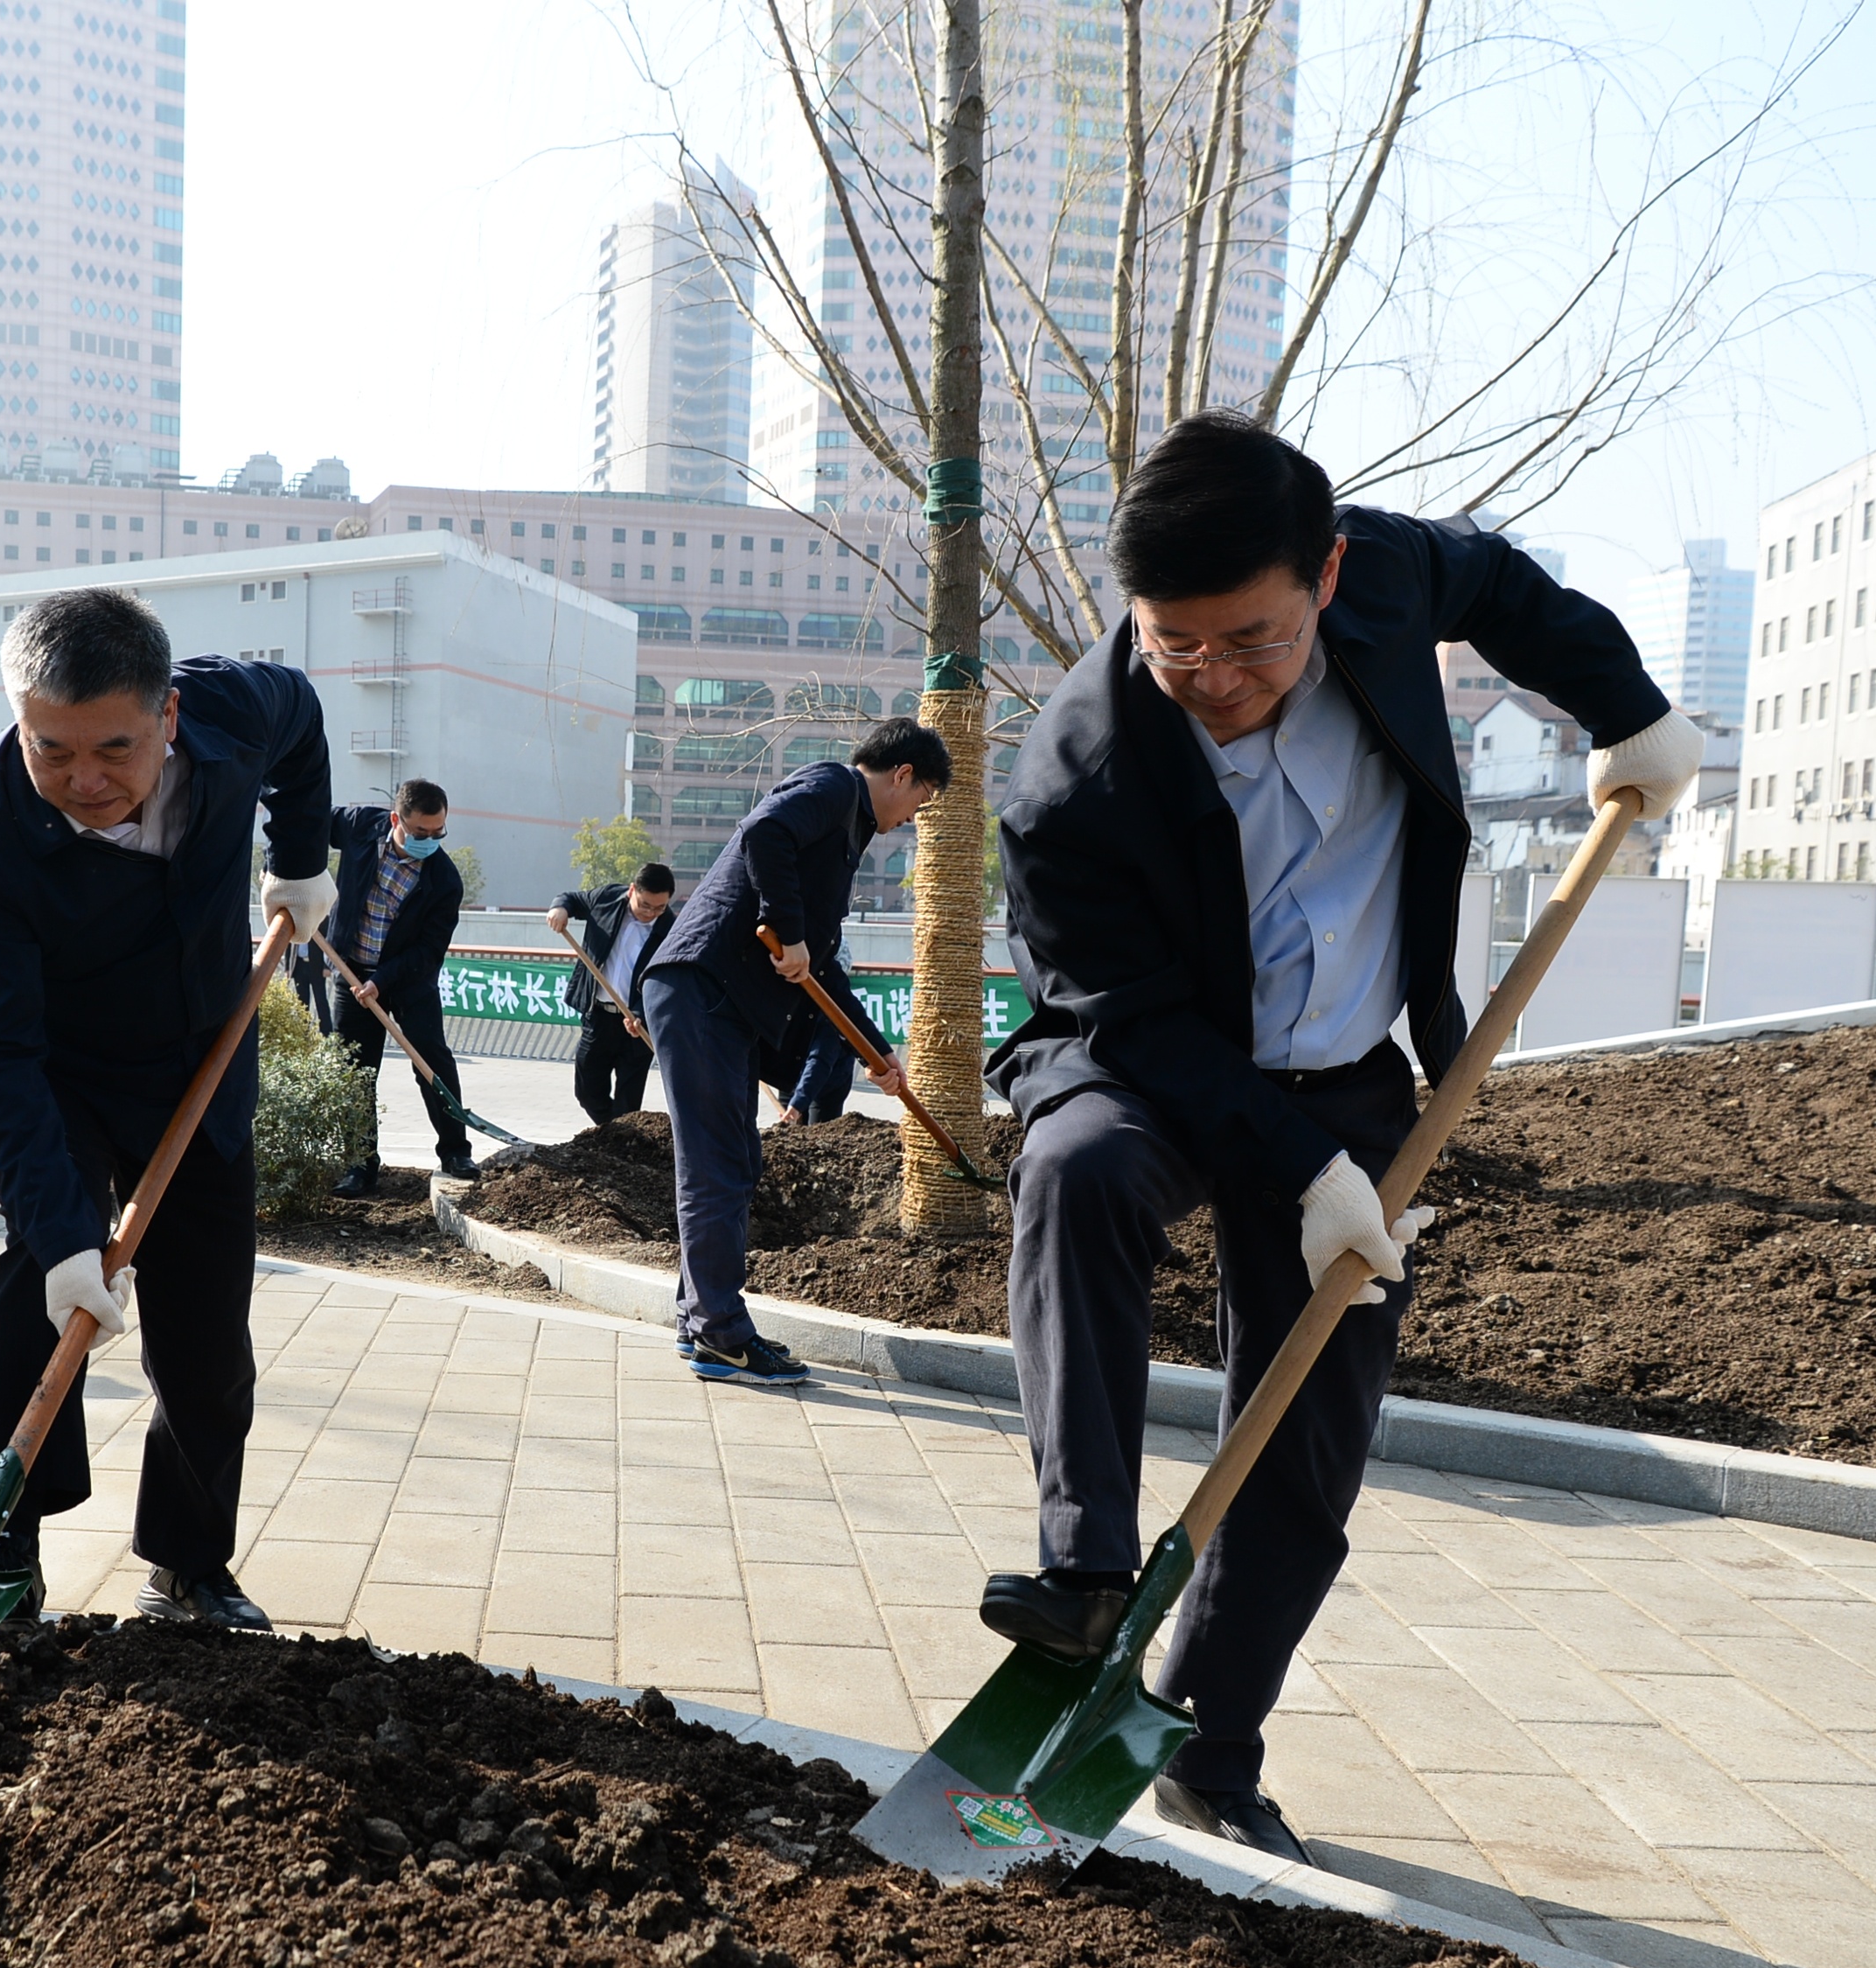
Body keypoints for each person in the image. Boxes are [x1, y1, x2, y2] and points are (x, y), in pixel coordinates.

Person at [980, 411, 1702, 1865]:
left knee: (1306, 1445)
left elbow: (1505, 587)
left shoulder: (1390, 575)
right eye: (1175, 646)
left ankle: (1207, 1753)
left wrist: (1624, 709)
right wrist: (1298, 1170)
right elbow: (1132, 1018)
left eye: (1252, 641)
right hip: (1153, 1067)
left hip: (1354, 1075)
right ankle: (1087, 1576)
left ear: (1326, 575)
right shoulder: (1072, 777)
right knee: (1077, 1171)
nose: (1215, 679)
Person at [0, 585, 332, 1629]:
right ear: (18, 718)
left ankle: (189, 1564)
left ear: (168, 715)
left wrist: (299, 861)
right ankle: (6, 1549)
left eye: (114, 748)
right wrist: (67, 1236)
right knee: (37, 1289)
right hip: (59, 1069)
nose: (84, 780)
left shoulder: (233, 709)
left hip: (200, 1062)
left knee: (208, 1335)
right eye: (51, 749)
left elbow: (303, 717)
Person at [638, 716, 951, 1385]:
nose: (911, 820)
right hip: (701, 990)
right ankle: (722, 1334)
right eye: (921, 802)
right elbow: (764, 832)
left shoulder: (845, 834)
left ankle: (701, 1322)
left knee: (735, 1161)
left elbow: (821, 966)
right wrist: (785, 924)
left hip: (721, 1004)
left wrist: (876, 1052)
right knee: (718, 1165)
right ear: (902, 775)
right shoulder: (834, 787)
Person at [323, 778, 468, 1196]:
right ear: (395, 820)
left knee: (432, 1062)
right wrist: (280, 867)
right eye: (421, 832)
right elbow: (305, 822)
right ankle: (359, 1164)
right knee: (355, 1071)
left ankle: (455, 1151)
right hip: (352, 972)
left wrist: (382, 980)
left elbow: (429, 950)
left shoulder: (445, 880)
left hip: (409, 982)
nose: (429, 840)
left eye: (438, 832)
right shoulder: (359, 826)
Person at [550, 860, 678, 1125]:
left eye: (660, 907)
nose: (651, 913)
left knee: (628, 1104)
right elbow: (572, 899)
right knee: (587, 1091)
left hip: (638, 1026)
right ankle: (614, 1133)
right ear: (632, 891)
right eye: (645, 905)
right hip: (598, 1015)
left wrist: (641, 1014)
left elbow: (668, 982)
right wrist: (560, 908)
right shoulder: (607, 898)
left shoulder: (671, 930)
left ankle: (620, 1138)